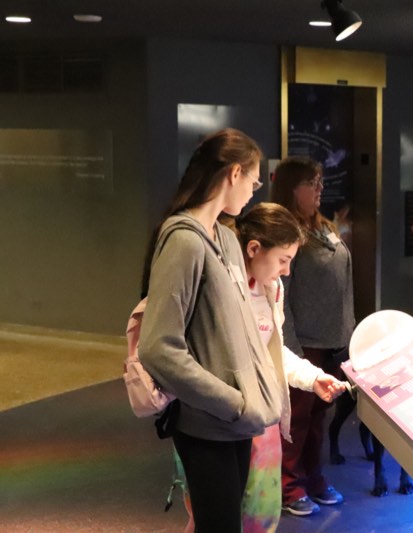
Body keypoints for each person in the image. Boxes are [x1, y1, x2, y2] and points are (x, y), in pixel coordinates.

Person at [138, 128, 283, 532]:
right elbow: (158, 348)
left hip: (235, 424)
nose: (254, 191)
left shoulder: (226, 239)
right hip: (208, 425)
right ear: (234, 173)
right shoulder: (184, 241)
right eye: (253, 181)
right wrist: (233, 402)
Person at [176, 202, 348, 533]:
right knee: (213, 515)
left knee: (259, 513)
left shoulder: (272, 289)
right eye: (283, 260)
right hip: (215, 417)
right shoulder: (213, 285)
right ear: (254, 248)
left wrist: (311, 377)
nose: (286, 271)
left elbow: (269, 353)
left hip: (259, 418)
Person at [270, 156, 356, 516]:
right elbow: (280, 294)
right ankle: (288, 486)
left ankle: (312, 476)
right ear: (292, 189)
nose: (320, 189)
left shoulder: (323, 227)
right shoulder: (285, 233)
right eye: (312, 183)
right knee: (298, 417)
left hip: (332, 337)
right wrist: (290, 344)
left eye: (321, 181)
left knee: (320, 414)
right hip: (302, 341)